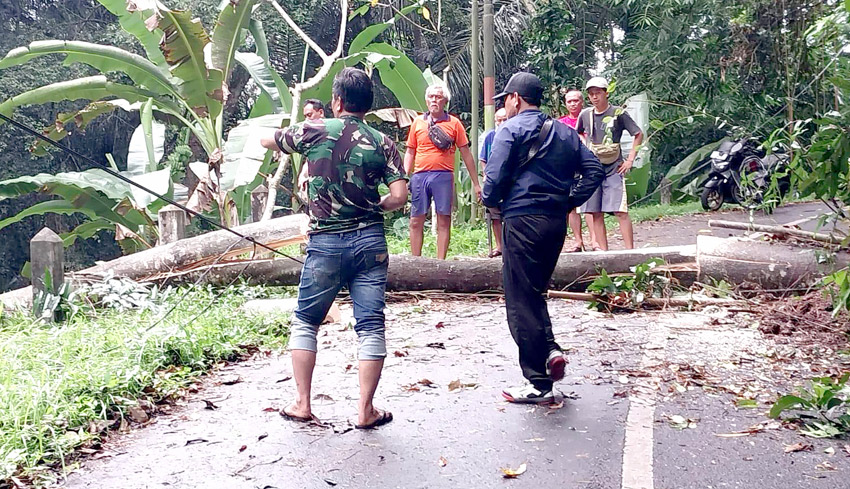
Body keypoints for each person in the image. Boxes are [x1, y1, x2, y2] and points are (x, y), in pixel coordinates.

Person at [260, 68, 408, 429]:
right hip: (370, 242)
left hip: (325, 243)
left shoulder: (315, 130)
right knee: (371, 326)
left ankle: (302, 403)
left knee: (306, 321)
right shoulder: (383, 141)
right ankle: (365, 411)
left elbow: (269, 140)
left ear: (337, 101)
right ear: (367, 104)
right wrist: (376, 206)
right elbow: (401, 196)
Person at [482, 72, 604, 404]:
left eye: (505, 99)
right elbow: (594, 169)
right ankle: (550, 352)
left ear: (516, 99)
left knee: (520, 299)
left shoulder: (508, 130)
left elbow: (491, 187)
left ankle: (538, 382)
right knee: (535, 292)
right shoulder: (565, 132)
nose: (505, 106)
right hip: (555, 223)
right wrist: (568, 201)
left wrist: (494, 201)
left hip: (522, 221)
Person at [405, 84, 482, 260]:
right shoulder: (418, 122)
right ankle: (415, 261)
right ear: (426, 100)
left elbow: (467, 155)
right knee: (416, 219)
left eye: (438, 97)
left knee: (443, 219)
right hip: (420, 176)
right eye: (431, 96)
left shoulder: (454, 123)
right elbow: (410, 151)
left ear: (445, 101)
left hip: (444, 176)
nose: (434, 100)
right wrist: (403, 177)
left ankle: (441, 262)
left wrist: (476, 184)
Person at [576, 77, 643, 250]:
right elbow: (579, 133)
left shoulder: (618, 113)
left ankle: (630, 251)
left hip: (614, 167)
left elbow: (638, 134)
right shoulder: (585, 115)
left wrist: (630, 160)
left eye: (598, 93)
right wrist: (585, 146)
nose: (595, 97)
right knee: (595, 212)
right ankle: (604, 254)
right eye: (591, 94)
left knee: (620, 211)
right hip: (592, 168)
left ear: (606, 93)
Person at [558, 89, 596, 252]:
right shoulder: (560, 123)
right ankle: (578, 241)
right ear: (565, 104)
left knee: (590, 204)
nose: (573, 104)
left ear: (582, 102)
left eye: (576, 101)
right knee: (572, 204)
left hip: (587, 166)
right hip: (568, 167)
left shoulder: (591, 118)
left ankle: (595, 241)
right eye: (569, 101)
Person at [478, 107, 508, 257]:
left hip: (509, 182)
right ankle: (499, 246)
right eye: (499, 120)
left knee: (509, 215)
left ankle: (511, 246)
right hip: (492, 182)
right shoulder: (490, 136)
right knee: (494, 215)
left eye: (505, 119)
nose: (502, 123)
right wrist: (485, 174)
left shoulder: (513, 134)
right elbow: (482, 158)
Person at [297, 99, 327, 198]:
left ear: (321, 113)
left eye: (310, 115)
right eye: (305, 117)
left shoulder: (331, 131)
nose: (307, 120)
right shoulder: (311, 136)